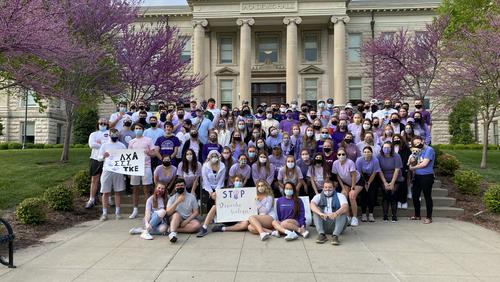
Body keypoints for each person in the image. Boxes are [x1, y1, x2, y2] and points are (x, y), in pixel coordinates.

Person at [128, 123, 156, 219]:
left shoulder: (148, 140)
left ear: (143, 129)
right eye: (136, 128)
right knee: (135, 189)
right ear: (134, 130)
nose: (138, 130)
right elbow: (129, 156)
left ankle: (148, 211)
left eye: (140, 128)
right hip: (135, 167)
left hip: (146, 166)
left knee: (146, 189)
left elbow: (153, 153)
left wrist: (149, 153)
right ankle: (135, 210)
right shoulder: (131, 142)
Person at [97, 129, 126, 221]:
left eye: (116, 135)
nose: (114, 136)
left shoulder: (122, 145)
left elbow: (126, 158)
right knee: (105, 192)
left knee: (118, 191)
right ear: (109, 135)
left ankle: (117, 212)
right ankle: (104, 213)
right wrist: (103, 156)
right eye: (112, 135)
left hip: (118, 170)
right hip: (107, 169)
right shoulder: (104, 145)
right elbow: (99, 158)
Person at [331, 147, 363, 226]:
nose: (341, 155)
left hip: (357, 181)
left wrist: (352, 187)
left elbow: (353, 176)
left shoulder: (350, 162)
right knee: (343, 195)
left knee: (352, 196)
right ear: (337, 155)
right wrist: (342, 187)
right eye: (339, 154)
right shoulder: (335, 163)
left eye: (343, 154)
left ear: (346, 155)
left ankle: (355, 217)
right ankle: (348, 216)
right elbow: (338, 176)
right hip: (345, 182)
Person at [310, 180, 349, 245]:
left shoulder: (340, 195)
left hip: (336, 222)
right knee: (316, 210)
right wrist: (320, 213)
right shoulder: (318, 196)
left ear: (334, 188)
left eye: (330, 187)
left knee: (342, 211)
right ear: (323, 188)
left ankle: (335, 236)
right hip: (324, 222)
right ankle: (322, 234)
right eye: (326, 187)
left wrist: (336, 213)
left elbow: (345, 207)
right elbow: (312, 205)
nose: (327, 189)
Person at [409, 136, 435, 224]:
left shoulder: (429, 150)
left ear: (422, 141)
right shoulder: (418, 151)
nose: (417, 144)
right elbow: (414, 160)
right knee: (415, 195)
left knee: (427, 196)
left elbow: (424, 164)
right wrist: (411, 162)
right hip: (417, 176)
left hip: (427, 176)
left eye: (418, 142)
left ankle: (429, 217)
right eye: (415, 144)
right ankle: (417, 215)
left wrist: (413, 168)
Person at [85, 118, 110, 209]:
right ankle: (91, 199)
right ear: (98, 124)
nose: (103, 124)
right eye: (101, 123)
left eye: (105, 123)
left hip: (107, 160)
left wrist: (100, 143)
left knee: (107, 179)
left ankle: (108, 198)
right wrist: (104, 144)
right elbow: (92, 145)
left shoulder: (110, 133)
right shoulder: (93, 134)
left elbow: (111, 144)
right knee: (94, 179)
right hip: (95, 159)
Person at [377, 141, 403, 222]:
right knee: (385, 195)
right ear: (382, 148)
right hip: (384, 178)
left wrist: (392, 183)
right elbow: (379, 170)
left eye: (388, 147)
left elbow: (397, 170)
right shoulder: (379, 156)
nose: (386, 149)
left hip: (396, 179)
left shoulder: (396, 156)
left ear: (391, 148)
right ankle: (385, 215)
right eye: (384, 147)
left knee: (393, 194)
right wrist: (385, 182)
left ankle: (394, 215)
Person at [356, 146, 381, 222]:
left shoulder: (375, 160)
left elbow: (374, 172)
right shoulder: (359, 160)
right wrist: (365, 183)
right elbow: (359, 172)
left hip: (372, 177)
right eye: (365, 152)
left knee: (371, 195)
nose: (366, 153)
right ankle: (363, 214)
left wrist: (369, 183)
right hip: (362, 176)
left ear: (371, 153)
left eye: (368, 152)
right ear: (363, 153)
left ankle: (371, 214)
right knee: (363, 195)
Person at [200, 150, 226, 214]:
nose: (214, 157)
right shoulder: (205, 166)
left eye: (215, 156)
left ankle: (219, 215)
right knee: (209, 200)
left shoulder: (222, 166)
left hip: (219, 187)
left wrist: (216, 191)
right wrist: (211, 192)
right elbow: (205, 180)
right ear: (209, 157)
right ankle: (210, 216)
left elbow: (221, 180)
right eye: (212, 156)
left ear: (218, 157)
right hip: (208, 187)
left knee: (219, 199)